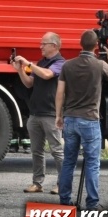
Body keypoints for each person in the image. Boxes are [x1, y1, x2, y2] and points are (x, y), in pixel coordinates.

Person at [56, 30, 108, 210]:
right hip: (90, 120)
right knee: (92, 163)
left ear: (80, 44)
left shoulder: (67, 66)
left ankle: (64, 200)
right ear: (95, 47)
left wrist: (58, 116)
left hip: (70, 119)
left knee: (68, 161)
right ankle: (92, 203)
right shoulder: (99, 65)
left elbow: (60, 93)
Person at [12, 32, 65, 195]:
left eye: (44, 43)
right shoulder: (42, 63)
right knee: (36, 150)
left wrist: (28, 64)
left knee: (56, 150)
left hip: (50, 113)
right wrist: (21, 70)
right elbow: (29, 83)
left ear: (54, 46)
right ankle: (37, 183)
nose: (40, 46)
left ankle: (62, 183)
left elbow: (47, 74)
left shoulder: (60, 63)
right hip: (35, 113)